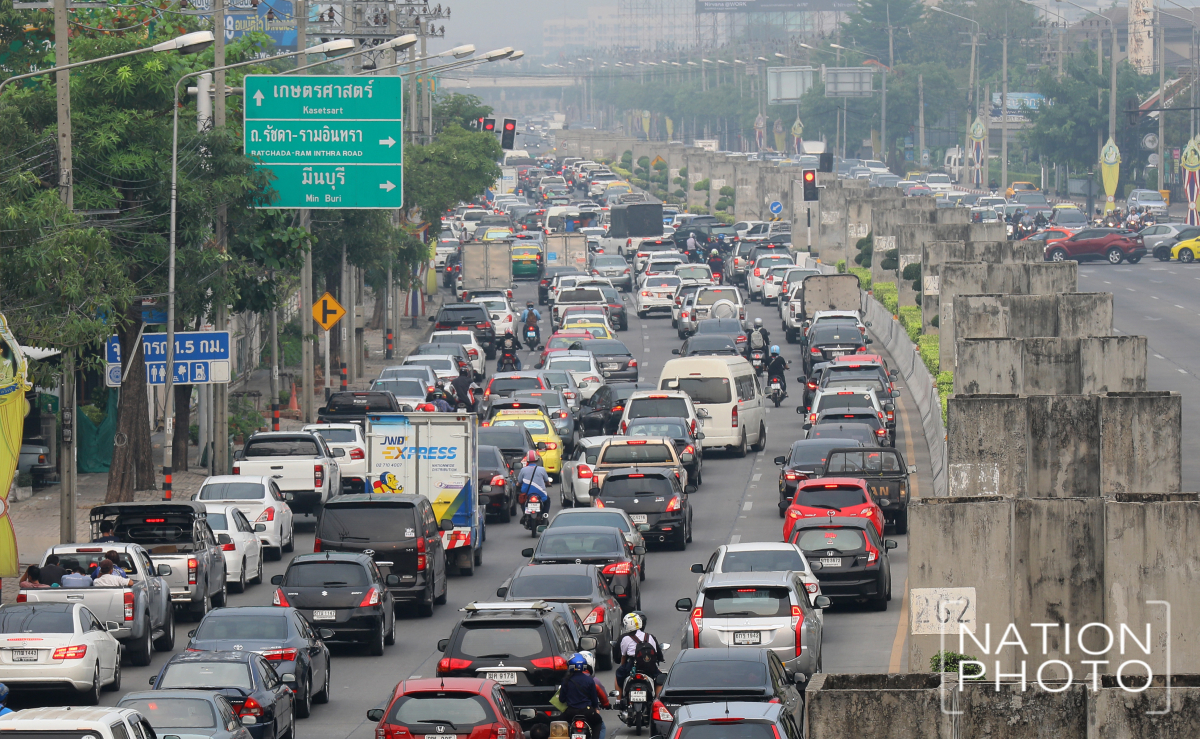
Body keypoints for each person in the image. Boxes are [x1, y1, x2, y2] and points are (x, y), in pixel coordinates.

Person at [613, 613, 663, 703]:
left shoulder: (626, 639)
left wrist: (622, 667)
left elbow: (623, 656)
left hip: (632, 666)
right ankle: (658, 701)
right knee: (660, 678)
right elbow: (656, 653)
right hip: (649, 666)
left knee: (618, 675)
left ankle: (618, 700)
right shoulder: (649, 637)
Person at [558, 653, 603, 738]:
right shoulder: (589, 680)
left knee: (560, 723)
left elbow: (562, 699)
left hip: (570, 712)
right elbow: (594, 699)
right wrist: (596, 708)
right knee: (598, 722)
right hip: (587, 711)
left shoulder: (566, 681)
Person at [580, 651, 610, 739]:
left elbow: (561, 698)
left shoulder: (568, 680)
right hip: (589, 711)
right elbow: (603, 697)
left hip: (571, 712)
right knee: (601, 727)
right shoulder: (594, 681)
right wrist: (606, 705)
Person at [516, 450, 550, 523]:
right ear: (537, 459)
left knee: (522, 501)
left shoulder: (523, 470)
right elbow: (547, 480)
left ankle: (525, 514)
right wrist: (548, 484)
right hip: (540, 494)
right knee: (547, 500)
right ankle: (545, 516)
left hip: (527, 494)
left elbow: (519, 483)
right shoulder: (542, 469)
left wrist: (518, 486)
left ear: (527, 459)